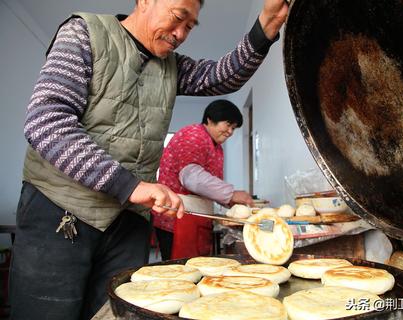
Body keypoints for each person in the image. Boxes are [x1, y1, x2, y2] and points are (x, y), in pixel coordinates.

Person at [9, 0, 288, 319]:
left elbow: (219, 77)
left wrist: (265, 28)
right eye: (178, 18)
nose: (181, 33)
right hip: (61, 213)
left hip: (127, 222)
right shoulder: (85, 34)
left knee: (117, 313)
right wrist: (129, 186)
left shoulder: (171, 65)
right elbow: (46, 121)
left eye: (190, 26)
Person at [153, 99, 254, 260]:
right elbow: (191, 177)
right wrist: (231, 194)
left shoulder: (216, 147)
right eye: (227, 125)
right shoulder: (194, 134)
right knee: (180, 271)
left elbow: (208, 186)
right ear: (210, 119)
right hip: (178, 218)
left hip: (195, 218)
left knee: (195, 268)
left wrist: (229, 201)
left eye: (233, 128)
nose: (230, 132)